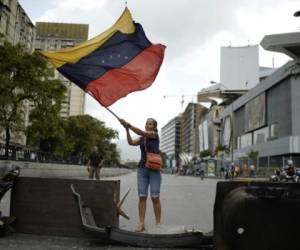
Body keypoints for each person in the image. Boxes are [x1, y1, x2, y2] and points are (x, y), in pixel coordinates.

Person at [119, 117, 161, 232]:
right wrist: (127, 129)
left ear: (154, 127)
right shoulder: (142, 138)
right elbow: (131, 142)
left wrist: (129, 124)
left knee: (155, 197)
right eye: (146, 123)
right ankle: (141, 223)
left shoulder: (153, 135)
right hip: (142, 169)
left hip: (154, 169)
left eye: (151, 124)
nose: (148, 125)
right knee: (142, 196)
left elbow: (141, 132)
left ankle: (158, 224)